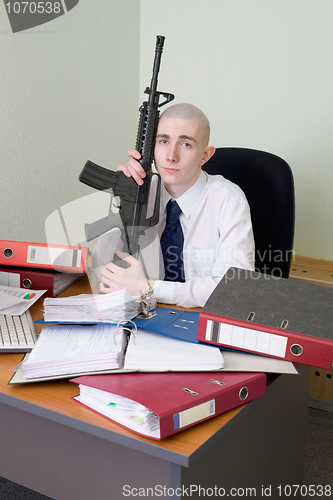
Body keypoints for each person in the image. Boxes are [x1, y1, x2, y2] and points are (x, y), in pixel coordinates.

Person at [92, 103, 255, 308]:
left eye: (185, 144)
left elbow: (235, 290)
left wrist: (148, 288)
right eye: (163, 141)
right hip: (145, 315)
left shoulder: (228, 200)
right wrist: (123, 202)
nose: (171, 156)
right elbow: (101, 271)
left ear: (205, 155)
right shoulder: (143, 195)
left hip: (201, 319)